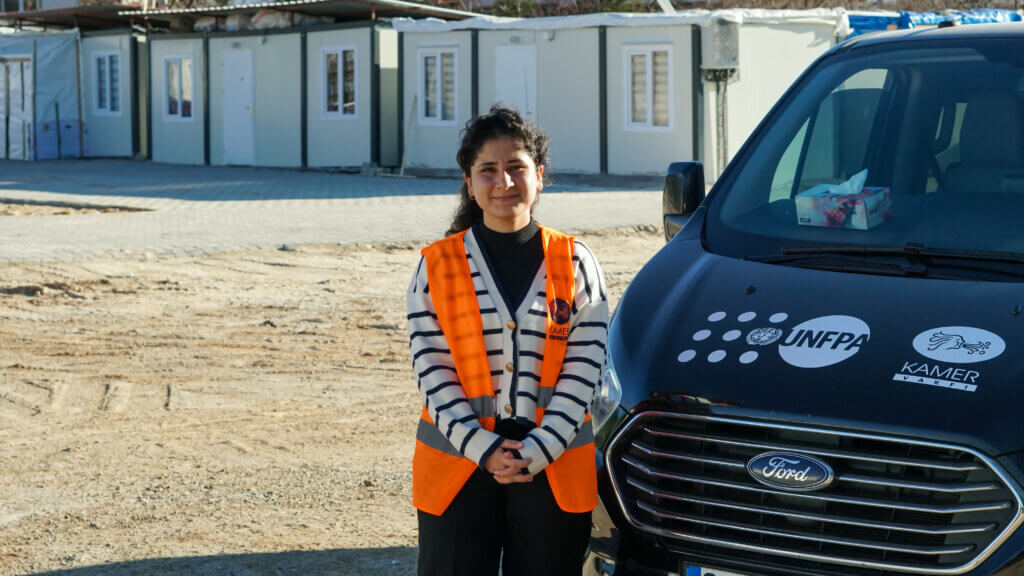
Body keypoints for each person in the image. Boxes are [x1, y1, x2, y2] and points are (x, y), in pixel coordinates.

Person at [406, 105, 609, 576]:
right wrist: (482, 447)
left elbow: (586, 370)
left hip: (552, 469)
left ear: (539, 176)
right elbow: (431, 370)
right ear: (469, 180)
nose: (504, 182)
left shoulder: (576, 263)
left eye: (517, 167)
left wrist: (538, 449)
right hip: (459, 467)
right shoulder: (435, 266)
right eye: (488, 170)